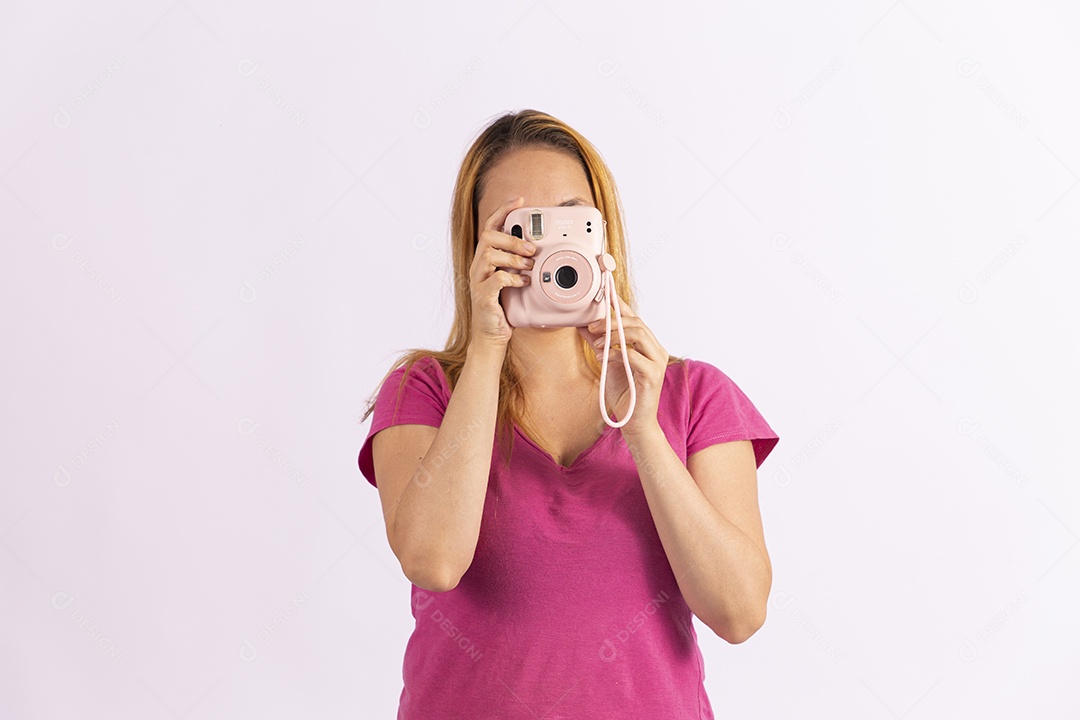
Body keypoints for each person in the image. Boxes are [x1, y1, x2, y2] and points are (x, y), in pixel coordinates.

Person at [358, 108, 780, 719]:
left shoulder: (695, 393)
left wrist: (642, 429)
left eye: (570, 219)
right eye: (519, 228)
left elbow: (739, 613)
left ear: (602, 236)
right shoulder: (424, 390)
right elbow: (433, 561)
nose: (545, 249)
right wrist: (486, 349)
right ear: (476, 247)